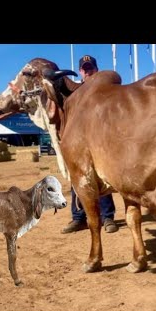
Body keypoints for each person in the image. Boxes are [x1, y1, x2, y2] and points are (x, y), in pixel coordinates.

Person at [61, 55, 118, 234]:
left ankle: (107, 217)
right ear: (80, 71)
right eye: (85, 68)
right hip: (78, 141)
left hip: (101, 139)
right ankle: (79, 218)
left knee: (104, 177)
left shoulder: (106, 88)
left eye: (90, 67)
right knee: (77, 178)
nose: (87, 71)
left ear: (96, 69)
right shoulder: (73, 91)